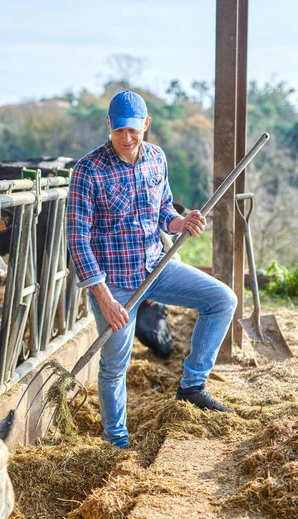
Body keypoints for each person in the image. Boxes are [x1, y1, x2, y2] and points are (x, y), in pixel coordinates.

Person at [66, 90, 237, 449]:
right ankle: (116, 442)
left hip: (154, 266)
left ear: (146, 125)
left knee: (223, 299)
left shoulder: (157, 158)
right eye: (119, 132)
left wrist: (182, 223)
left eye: (134, 131)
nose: (127, 139)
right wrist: (105, 298)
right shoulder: (87, 170)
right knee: (115, 366)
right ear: (109, 125)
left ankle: (192, 386)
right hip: (115, 285)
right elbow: (77, 240)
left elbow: (163, 212)